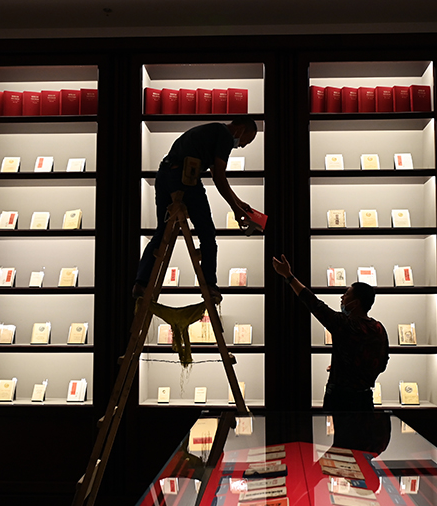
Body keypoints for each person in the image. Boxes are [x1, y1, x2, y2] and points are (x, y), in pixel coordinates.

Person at [134, 117, 257, 302]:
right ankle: (209, 284)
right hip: (185, 178)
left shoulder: (213, 131)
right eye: (247, 140)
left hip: (165, 174)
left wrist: (238, 203)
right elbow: (220, 178)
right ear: (240, 129)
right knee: (207, 232)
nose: (242, 146)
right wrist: (235, 209)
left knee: (161, 232)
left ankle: (141, 282)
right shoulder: (225, 136)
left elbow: (217, 175)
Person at [272, 254, 389, 411]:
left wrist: (289, 276)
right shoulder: (379, 328)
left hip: (341, 397)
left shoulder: (344, 323)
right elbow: (382, 362)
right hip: (365, 398)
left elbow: (314, 304)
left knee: (341, 434)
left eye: (347, 294)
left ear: (356, 303)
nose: (342, 297)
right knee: (362, 434)